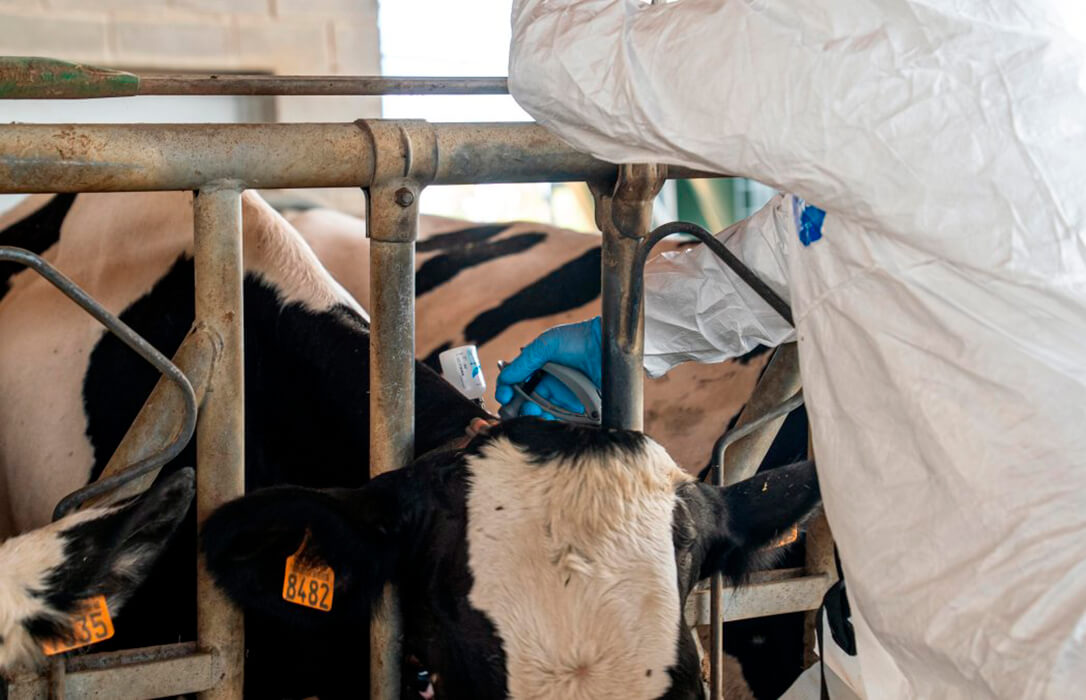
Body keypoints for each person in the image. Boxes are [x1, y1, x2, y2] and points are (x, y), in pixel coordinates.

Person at [500, 1, 1086, 698]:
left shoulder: (879, 31)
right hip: (927, 631)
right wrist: (634, 329)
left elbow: (566, 63)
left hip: (1020, 645)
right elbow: (821, 230)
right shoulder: (1018, 38)